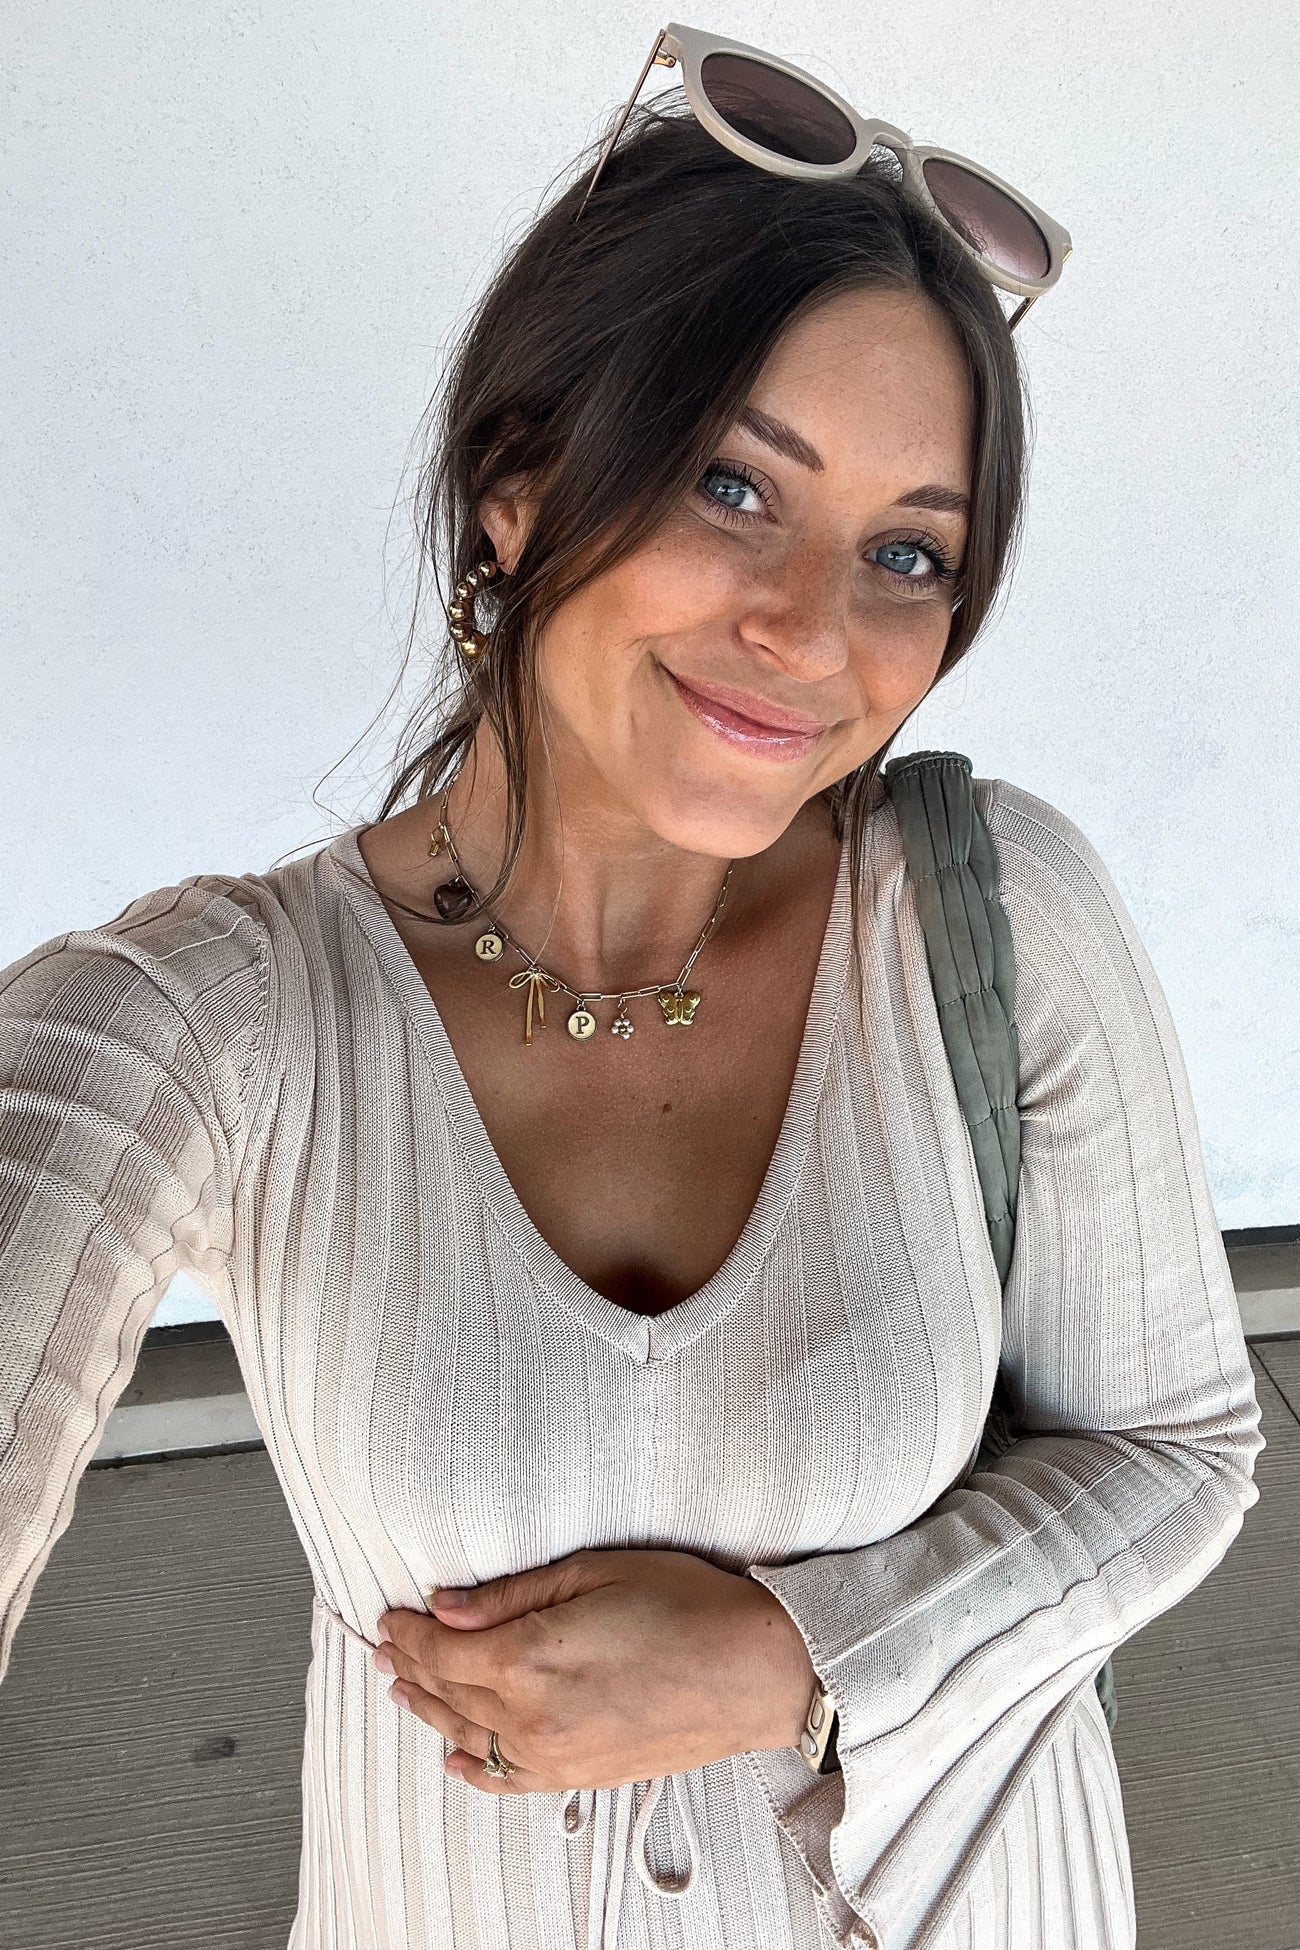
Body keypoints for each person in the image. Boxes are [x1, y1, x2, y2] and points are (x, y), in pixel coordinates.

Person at [0, 36, 1264, 1950]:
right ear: (514, 486)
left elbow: (1178, 1451)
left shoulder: (994, 914)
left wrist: (798, 1658)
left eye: (907, 551)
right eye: (732, 485)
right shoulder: (222, 1013)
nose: (812, 630)